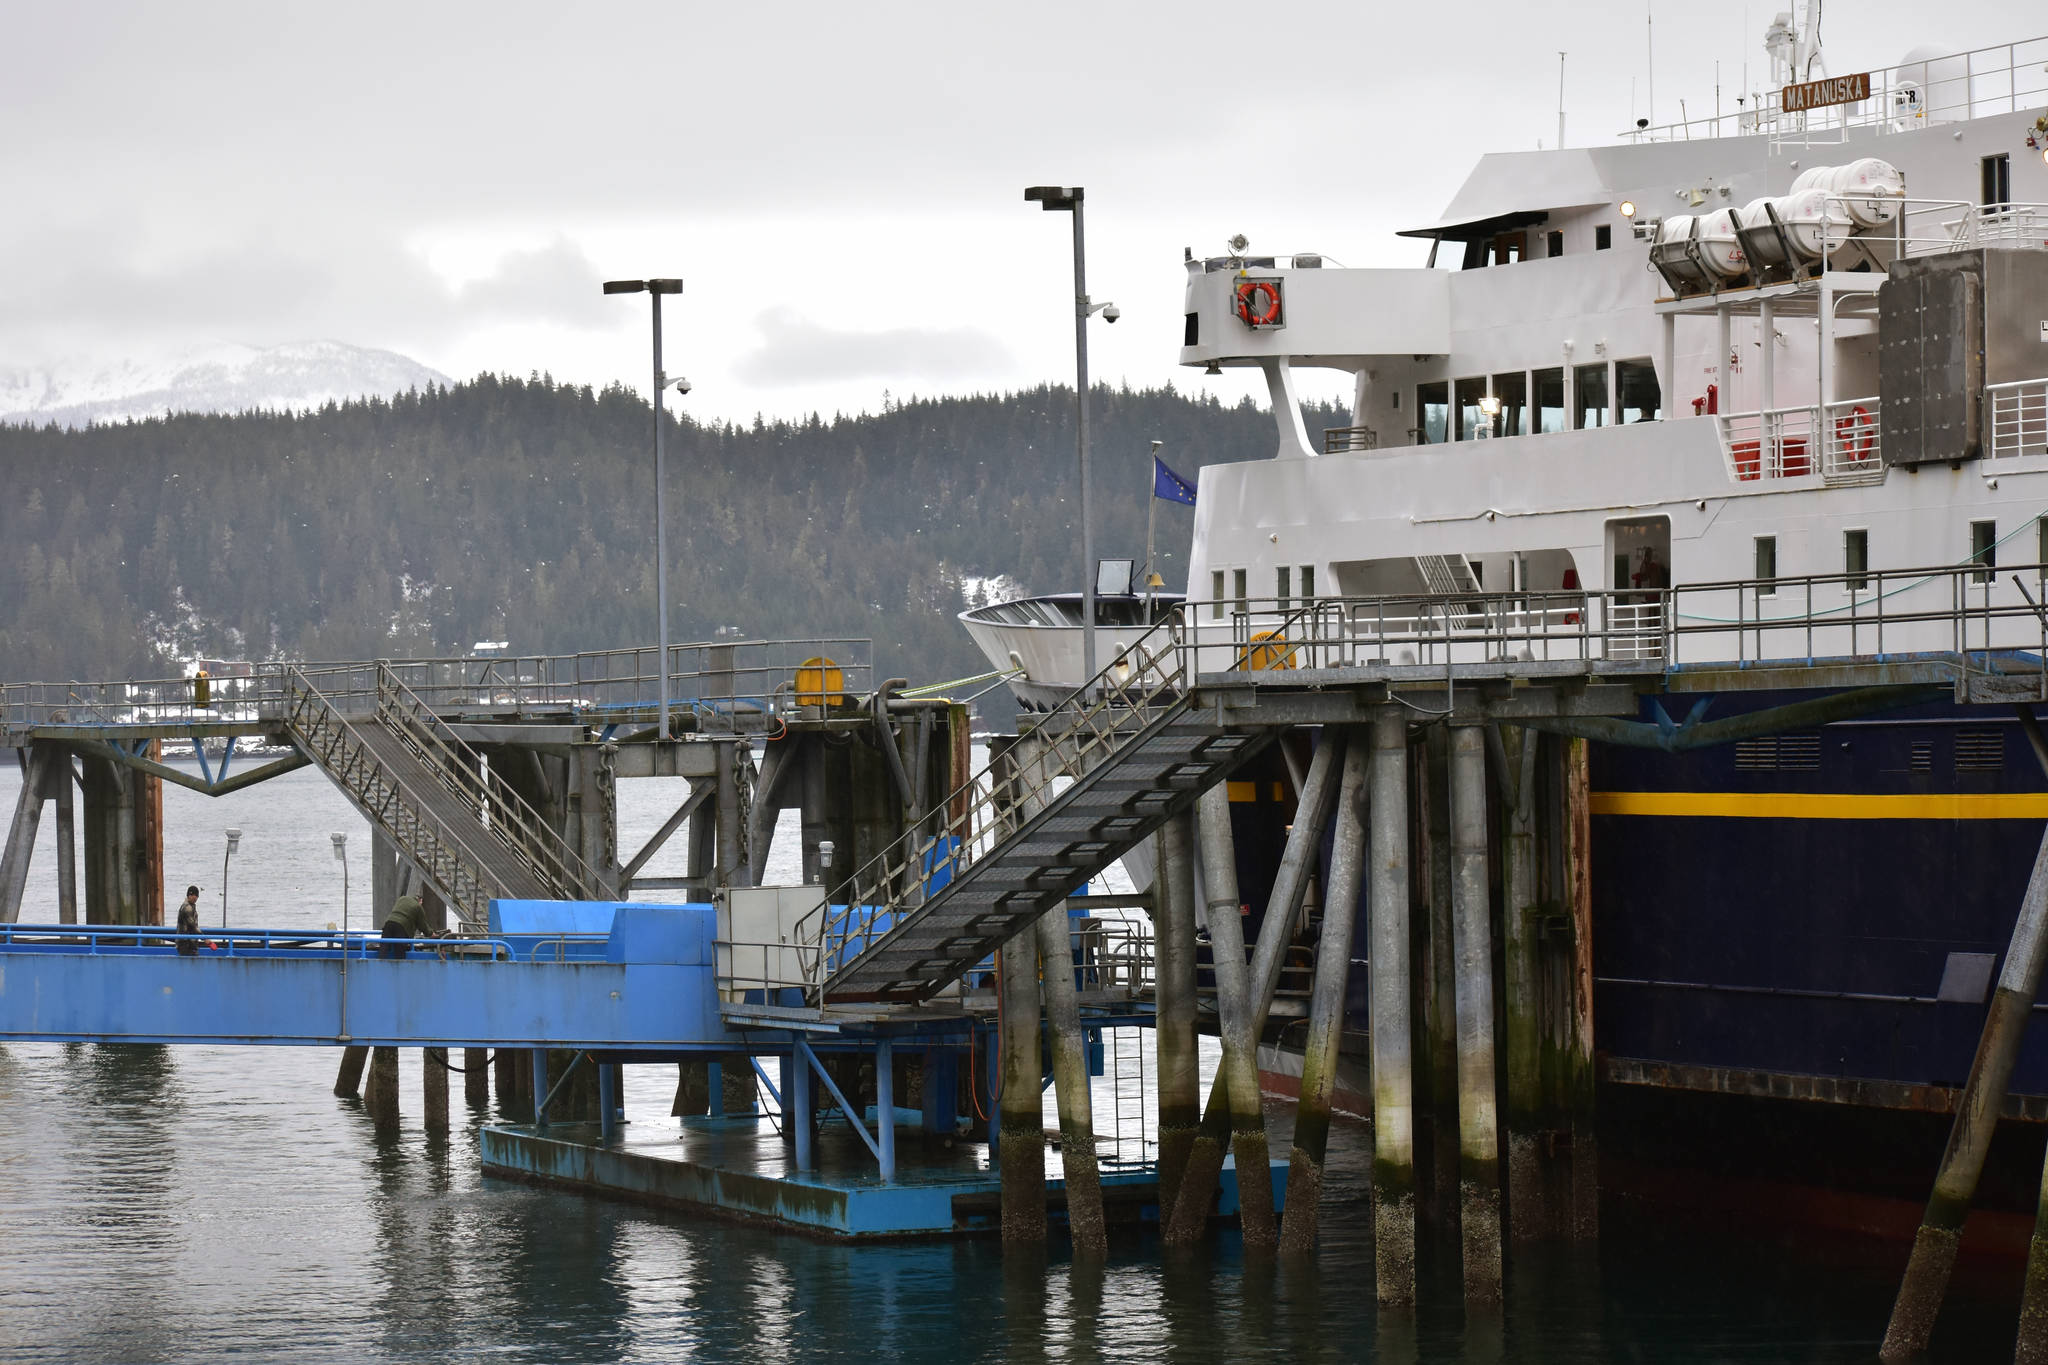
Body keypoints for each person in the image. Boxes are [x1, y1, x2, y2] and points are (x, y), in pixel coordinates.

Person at [380, 894, 433, 960]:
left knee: (383, 947)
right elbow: (423, 925)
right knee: (400, 951)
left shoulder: (402, 899)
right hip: (401, 927)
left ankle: (380, 963)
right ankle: (400, 967)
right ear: (420, 900)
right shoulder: (418, 906)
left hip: (389, 923)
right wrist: (431, 933)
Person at [176, 885, 201, 957]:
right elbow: (193, 926)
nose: (195, 897)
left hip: (190, 942)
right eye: (192, 895)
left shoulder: (192, 906)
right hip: (185, 943)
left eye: (196, 896)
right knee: (189, 964)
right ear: (188, 895)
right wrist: (205, 938)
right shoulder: (187, 908)